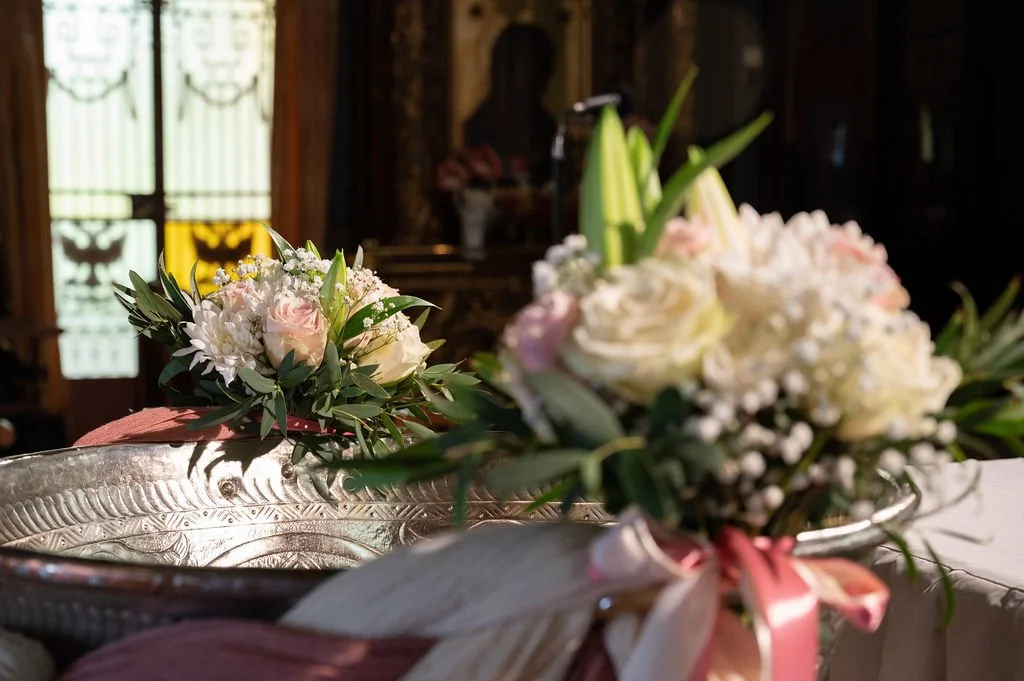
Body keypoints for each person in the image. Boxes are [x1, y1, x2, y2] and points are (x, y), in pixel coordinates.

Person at [463, 22, 557, 187]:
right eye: (527, 65)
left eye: (540, 68)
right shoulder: (478, 127)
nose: (537, 78)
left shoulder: (549, 129)